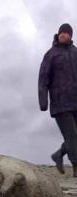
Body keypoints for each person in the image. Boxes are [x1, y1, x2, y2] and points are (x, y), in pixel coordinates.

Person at [39, 23, 77, 177]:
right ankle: (76, 168)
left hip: (76, 101)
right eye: (61, 32)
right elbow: (43, 79)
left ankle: (58, 154)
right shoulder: (51, 54)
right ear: (58, 34)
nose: (63, 34)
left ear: (70, 36)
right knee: (72, 136)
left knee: (74, 137)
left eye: (66, 33)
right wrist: (43, 101)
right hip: (60, 103)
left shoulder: (76, 53)